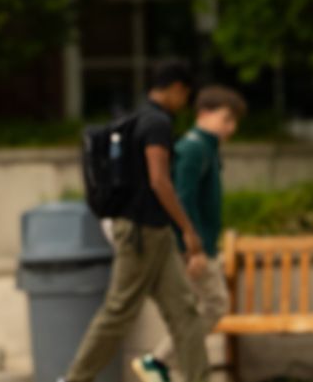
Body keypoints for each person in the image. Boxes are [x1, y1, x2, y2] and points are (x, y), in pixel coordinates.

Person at [62, 62, 209, 382]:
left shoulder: (134, 119)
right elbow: (160, 180)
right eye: (185, 95)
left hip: (152, 230)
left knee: (185, 311)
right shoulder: (156, 123)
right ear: (176, 88)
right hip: (141, 231)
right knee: (118, 311)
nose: (184, 103)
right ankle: (74, 379)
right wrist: (187, 228)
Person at [134, 84, 247, 382]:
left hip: (201, 243)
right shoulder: (194, 147)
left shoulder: (205, 147)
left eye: (234, 121)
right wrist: (193, 246)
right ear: (204, 113)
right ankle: (158, 361)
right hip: (193, 245)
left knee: (202, 308)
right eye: (226, 119)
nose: (230, 128)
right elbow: (182, 197)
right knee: (212, 305)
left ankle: (162, 362)